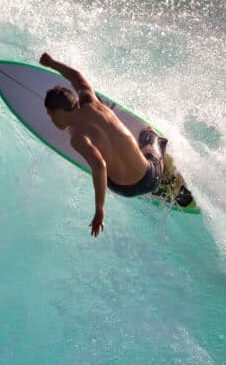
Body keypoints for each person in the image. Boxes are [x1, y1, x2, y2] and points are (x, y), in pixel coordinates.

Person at [39, 52, 177, 237]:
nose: (51, 119)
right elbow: (76, 77)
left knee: (149, 134)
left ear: (58, 112)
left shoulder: (78, 138)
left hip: (120, 188)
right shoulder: (89, 98)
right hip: (148, 177)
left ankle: (164, 177)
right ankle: (164, 176)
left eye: (50, 114)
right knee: (146, 135)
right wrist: (52, 63)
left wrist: (99, 209)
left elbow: (99, 165)